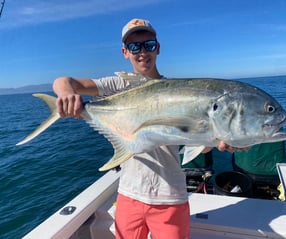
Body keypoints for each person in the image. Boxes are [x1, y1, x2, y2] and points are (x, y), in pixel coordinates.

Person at [53, 18, 234, 239]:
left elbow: (198, 144)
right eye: (134, 46)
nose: (142, 52)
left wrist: (217, 141)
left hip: (170, 197)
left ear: (157, 48)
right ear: (125, 52)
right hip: (129, 195)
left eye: (148, 45)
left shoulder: (177, 92)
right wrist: (65, 94)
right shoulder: (116, 86)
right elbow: (65, 81)